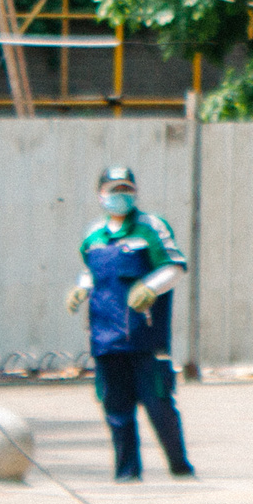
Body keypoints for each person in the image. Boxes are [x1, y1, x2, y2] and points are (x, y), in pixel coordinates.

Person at [67, 165, 196, 483]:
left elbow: (175, 266)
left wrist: (150, 286)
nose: (119, 195)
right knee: (116, 409)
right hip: (106, 337)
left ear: (135, 192)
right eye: (113, 190)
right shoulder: (93, 235)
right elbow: (91, 270)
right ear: (100, 195)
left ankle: (179, 467)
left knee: (158, 404)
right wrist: (82, 288)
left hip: (144, 336)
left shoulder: (151, 227)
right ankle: (127, 474)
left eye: (126, 189)